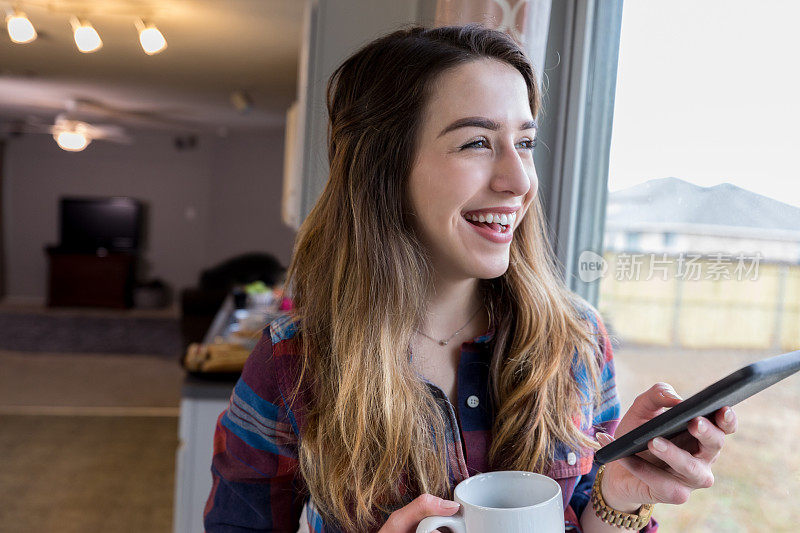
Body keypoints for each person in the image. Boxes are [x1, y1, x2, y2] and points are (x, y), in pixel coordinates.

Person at [203, 24, 737, 533]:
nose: (518, 180)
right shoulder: (293, 363)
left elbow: (584, 515)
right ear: (382, 170)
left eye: (524, 143)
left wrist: (620, 497)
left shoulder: (576, 340)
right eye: (477, 143)